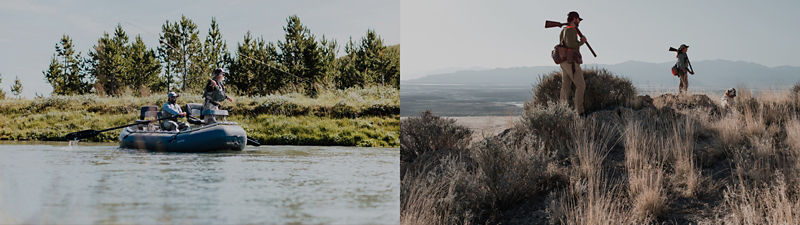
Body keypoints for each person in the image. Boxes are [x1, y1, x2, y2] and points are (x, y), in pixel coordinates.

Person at [559, 11, 587, 115]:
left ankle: (562, 111)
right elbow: (571, 45)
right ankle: (579, 112)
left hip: (564, 62)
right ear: (574, 19)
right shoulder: (571, 30)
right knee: (581, 85)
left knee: (565, 87)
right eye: (578, 19)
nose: (579, 21)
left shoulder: (564, 30)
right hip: (571, 62)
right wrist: (582, 42)